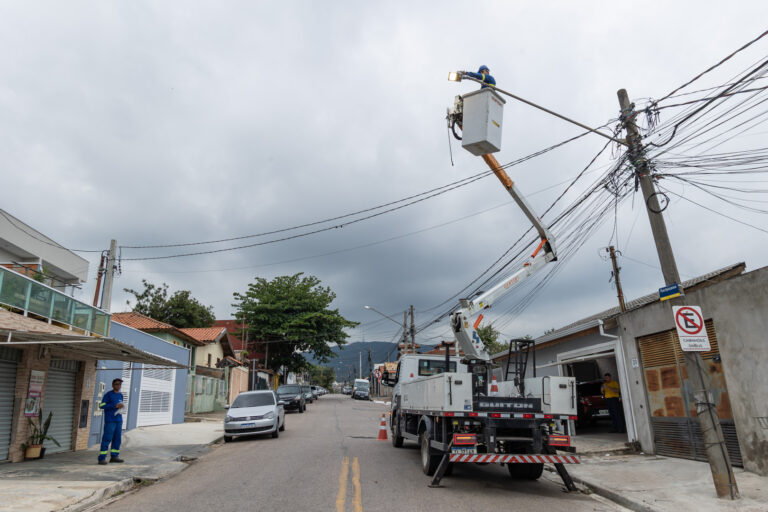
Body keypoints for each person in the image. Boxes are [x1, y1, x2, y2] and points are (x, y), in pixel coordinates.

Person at [98, 378, 125, 464]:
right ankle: (102, 458)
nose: (118, 386)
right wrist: (114, 405)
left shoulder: (121, 395)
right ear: (113, 385)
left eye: (120, 384)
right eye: (117, 384)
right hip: (110, 420)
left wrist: (121, 407)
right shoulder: (108, 395)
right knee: (107, 439)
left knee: (117, 439)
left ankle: (114, 456)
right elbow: (101, 405)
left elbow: (120, 405)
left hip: (119, 420)